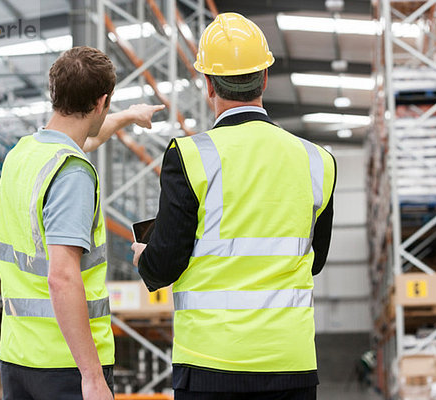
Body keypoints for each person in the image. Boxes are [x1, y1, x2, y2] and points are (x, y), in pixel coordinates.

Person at [131, 13, 336, 400]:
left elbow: (166, 264)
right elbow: (316, 259)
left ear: (208, 84)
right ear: (265, 78)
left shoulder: (189, 157)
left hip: (210, 363)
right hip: (290, 364)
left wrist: (146, 256)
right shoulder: (317, 161)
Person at [0, 46, 164, 400]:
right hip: (66, 365)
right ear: (101, 102)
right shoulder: (71, 171)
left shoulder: (22, 154)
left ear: (56, 93)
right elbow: (62, 277)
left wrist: (129, 115)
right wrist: (91, 376)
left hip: (18, 357)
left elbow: (87, 137)